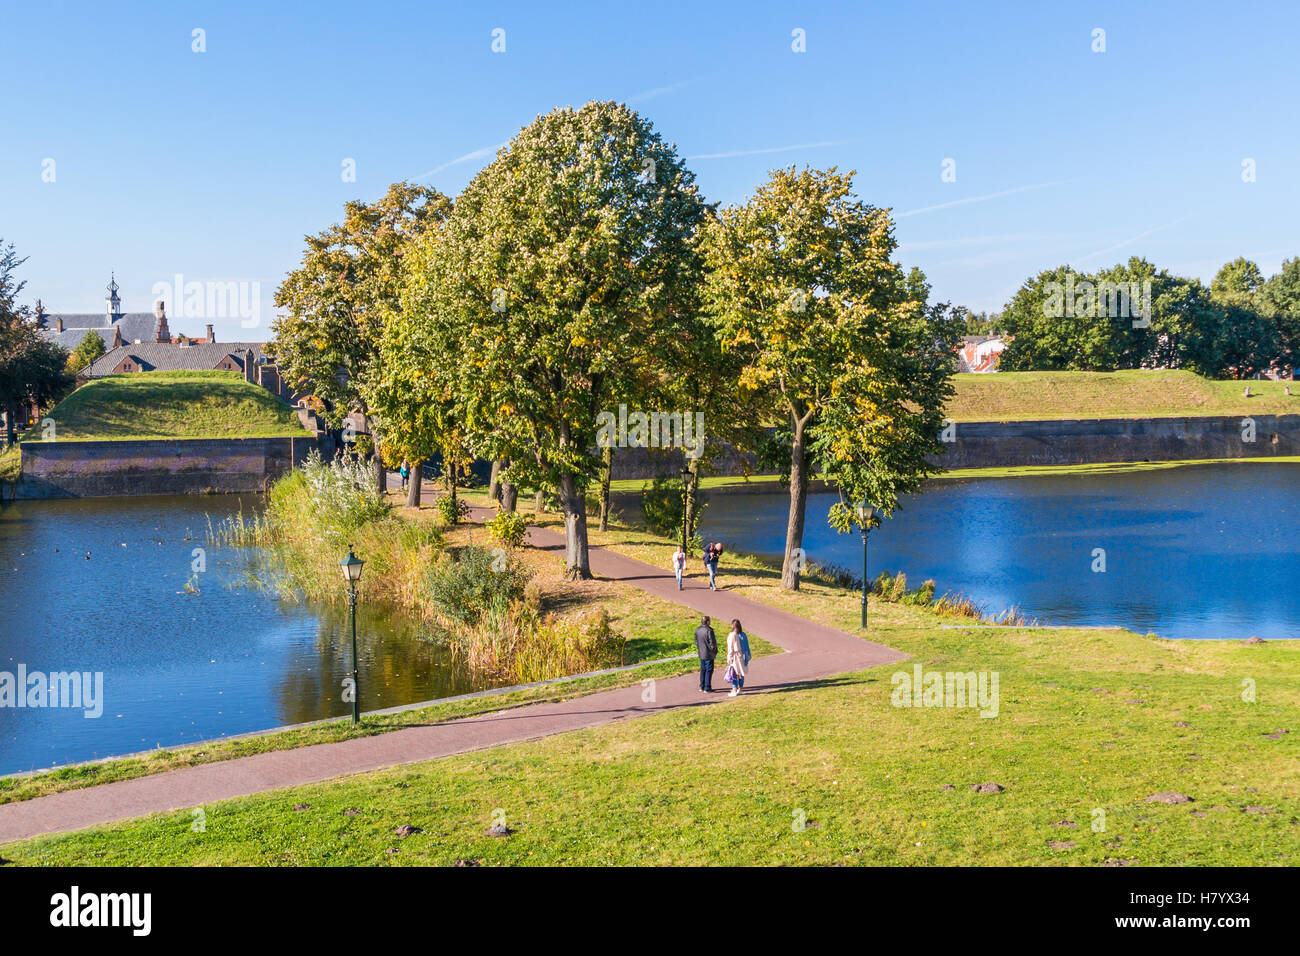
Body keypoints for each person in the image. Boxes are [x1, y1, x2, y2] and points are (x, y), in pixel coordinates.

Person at [726, 618, 751, 696]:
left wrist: (729, 657)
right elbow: (747, 646)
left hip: (735, 656)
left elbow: (731, 648)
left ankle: (734, 689)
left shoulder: (732, 635)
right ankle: (740, 689)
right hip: (743, 656)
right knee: (741, 673)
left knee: (733, 673)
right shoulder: (743, 635)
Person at [694, 615, 717, 692]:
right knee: (709, 670)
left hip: (701, 653)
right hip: (709, 654)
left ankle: (702, 686)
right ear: (707, 622)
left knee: (703, 670)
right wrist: (714, 651)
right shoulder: (709, 631)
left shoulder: (697, 630)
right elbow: (712, 643)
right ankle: (707, 687)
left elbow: (696, 641)